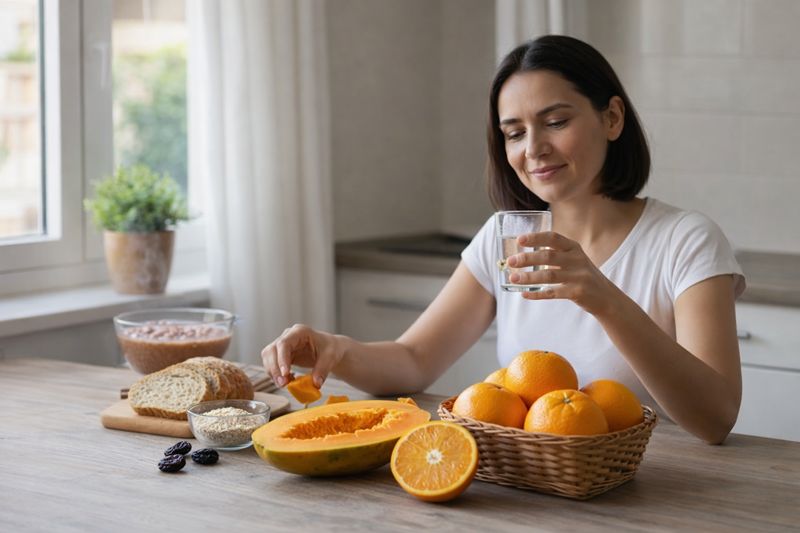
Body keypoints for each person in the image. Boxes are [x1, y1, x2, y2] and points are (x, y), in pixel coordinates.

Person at [261, 35, 745, 444]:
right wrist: (335, 350)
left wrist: (604, 299)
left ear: (612, 118)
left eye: (556, 122)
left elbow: (716, 418)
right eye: (514, 133)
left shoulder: (686, 241)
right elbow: (413, 361)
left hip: (653, 490)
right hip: (528, 487)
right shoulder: (505, 237)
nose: (533, 149)